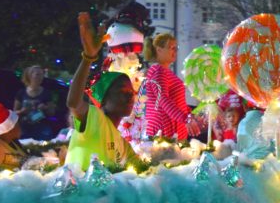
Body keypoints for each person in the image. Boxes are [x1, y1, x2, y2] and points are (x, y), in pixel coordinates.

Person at [64, 12, 140, 171]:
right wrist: (88, 58)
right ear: (103, 100)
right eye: (122, 92)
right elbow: (73, 103)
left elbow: (145, 170)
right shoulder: (94, 118)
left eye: (131, 92)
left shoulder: (123, 144)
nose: (130, 97)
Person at [142, 33, 201, 139]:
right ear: (159, 50)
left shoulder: (164, 71)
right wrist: (185, 118)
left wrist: (190, 114)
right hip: (164, 132)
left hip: (171, 131)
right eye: (171, 48)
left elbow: (176, 101)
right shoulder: (158, 71)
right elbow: (163, 99)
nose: (175, 51)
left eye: (176, 48)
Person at [13, 65, 56, 140]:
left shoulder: (47, 93)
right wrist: (22, 111)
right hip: (24, 129)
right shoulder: (21, 93)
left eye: (42, 75)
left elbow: (52, 112)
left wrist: (44, 108)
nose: (40, 77)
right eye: (37, 74)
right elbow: (14, 113)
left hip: (42, 129)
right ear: (30, 76)